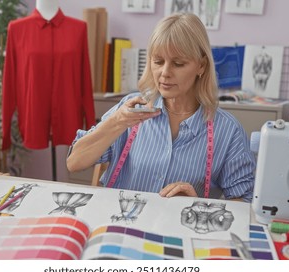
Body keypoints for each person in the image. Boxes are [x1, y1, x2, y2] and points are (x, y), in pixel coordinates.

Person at [67, 13, 255, 202]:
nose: (165, 73)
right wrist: (117, 122)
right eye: (157, 61)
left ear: (202, 66)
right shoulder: (129, 110)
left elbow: (244, 203)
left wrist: (197, 204)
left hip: (182, 229)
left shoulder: (228, 131)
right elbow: (74, 162)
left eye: (178, 63)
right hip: (124, 227)